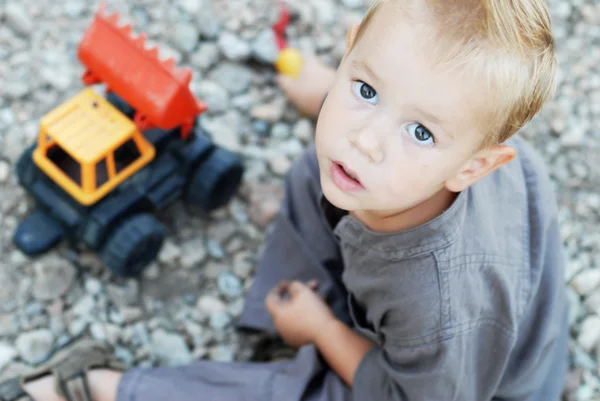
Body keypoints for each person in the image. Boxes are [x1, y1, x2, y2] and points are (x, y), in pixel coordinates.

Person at [0, 0, 569, 400]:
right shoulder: (408, 155)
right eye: (367, 89)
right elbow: (387, 107)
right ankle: (284, 341)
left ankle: (106, 390)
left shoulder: (438, 305)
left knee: (296, 392)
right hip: (421, 296)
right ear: (350, 53)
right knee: (316, 172)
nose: (365, 140)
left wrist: (323, 330)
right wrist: (331, 88)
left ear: (476, 166)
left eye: (420, 132)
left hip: (439, 386)